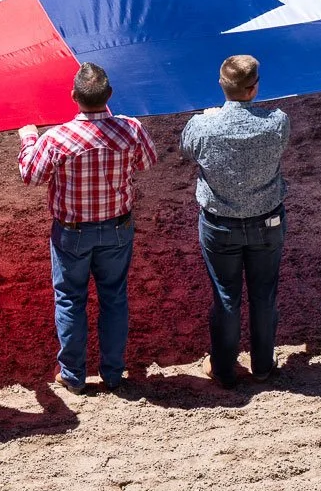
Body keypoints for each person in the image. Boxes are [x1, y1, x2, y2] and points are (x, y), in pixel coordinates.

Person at [18, 64, 157, 393]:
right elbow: (147, 163)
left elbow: (31, 176)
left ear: (73, 97)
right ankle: (112, 372)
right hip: (117, 227)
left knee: (69, 299)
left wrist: (28, 141)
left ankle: (73, 374)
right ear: (109, 95)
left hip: (72, 232)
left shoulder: (56, 138)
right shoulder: (131, 129)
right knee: (114, 298)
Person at [181, 55, 290, 388]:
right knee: (263, 294)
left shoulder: (203, 125)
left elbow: (187, 149)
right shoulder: (277, 122)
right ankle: (262, 365)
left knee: (226, 296)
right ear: (254, 88)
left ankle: (224, 368)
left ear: (221, 84)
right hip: (267, 222)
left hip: (220, 225)